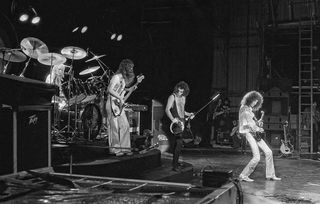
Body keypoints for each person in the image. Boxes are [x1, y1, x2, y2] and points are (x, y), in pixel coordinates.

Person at [238, 90, 281, 182]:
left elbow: (253, 123)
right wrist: (258, 128)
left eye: (256, 102)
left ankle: (270, 175)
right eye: (254, 101)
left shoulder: (249, 110)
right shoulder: (244, 109)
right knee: (257, 157)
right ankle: (243, 175)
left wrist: (258, 125)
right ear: (249, 99)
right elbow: (246, 124)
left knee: (269, 152)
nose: (254, 103)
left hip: (255, 134)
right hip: (249, 134)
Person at [105, 59, 135, 156]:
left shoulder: (122, 79)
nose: (131, 69)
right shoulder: (116, 77)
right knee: (114, 127)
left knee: (125, 125)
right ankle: (115, 150)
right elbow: (109, 90)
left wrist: (132, 87)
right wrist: (119, 98)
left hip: (118, 104)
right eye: (130, 67)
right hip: (111, 103)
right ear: (125, 67)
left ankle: (125, 148)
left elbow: (122, 92)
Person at [165, 81, 194, 171]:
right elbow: (167, 110)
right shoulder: (172, 97)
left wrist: (189, 114)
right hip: (176, 122)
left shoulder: (184, 98)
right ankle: (175, 165)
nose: (180, 93)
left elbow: (183, 111)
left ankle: (176, 162)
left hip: (182, 122)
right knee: (179, 142)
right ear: (177, 89)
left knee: (179, 144)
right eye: (179, 90)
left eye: (182, 91)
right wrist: (172, 119)